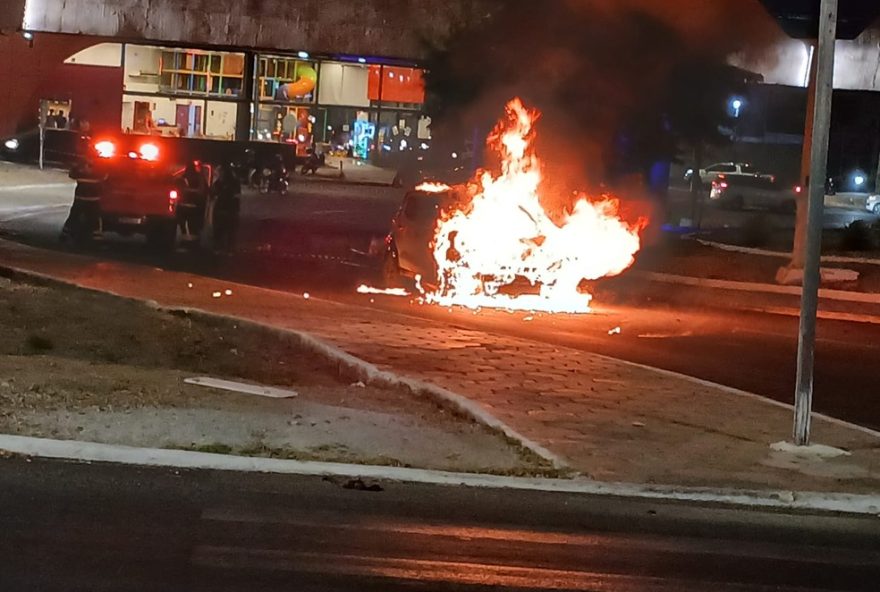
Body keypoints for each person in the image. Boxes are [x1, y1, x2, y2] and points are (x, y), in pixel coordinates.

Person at [211, 163, 242, 252]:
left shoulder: (221, 183)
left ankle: (222, 249)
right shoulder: (234, 182)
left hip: (225, 210)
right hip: (228, 210)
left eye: (219, 172)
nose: (218, 174)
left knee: (223, 231)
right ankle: (227, 249)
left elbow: (213, 193)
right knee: (228, 232)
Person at [177, 161, 209, 239]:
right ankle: (193, 240)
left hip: (183, 205)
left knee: (183, 225)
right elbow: (205, 190)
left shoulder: (183, 177)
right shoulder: (199, 177)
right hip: (195, 205)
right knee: (193, 226)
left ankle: (185, 239)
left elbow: (178, 189)